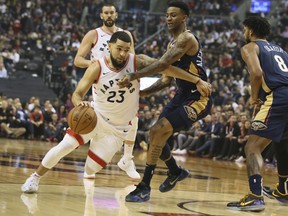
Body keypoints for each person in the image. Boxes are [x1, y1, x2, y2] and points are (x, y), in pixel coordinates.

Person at [21, 31, 211, 194]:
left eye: (126, 49)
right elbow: (77, 94)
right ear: (109, 46)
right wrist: (81, 104)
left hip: (117, 130)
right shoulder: (97, 66)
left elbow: (169, 69)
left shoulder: (138, 62)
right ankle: (35, 177)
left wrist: (196, 80)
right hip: (95, 117)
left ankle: (110, 155)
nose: (122, 53)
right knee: (64, 146)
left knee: (91, 167)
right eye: (118, 48)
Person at [118, 1, 212, 202]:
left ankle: (144, 186)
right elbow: (166, 78)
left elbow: (162, 65)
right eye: (167, 15)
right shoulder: (172, 43)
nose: (169, 18)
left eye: (174, 15)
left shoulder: (187, 38)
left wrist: (134, 76)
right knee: (156, 139)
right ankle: (175, 171)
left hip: (198, 97)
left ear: (184, 17)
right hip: (181, 95)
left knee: (156, 131)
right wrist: (142, 94)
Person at [227, 16, 288, 211]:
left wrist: (254, 97)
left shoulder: (250, 47)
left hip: (278, 96)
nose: (244, 33)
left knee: (252, 146)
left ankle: (255, 196)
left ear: (250, 31)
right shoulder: (281, 50)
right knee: (283, 143)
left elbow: (257, 73)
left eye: (244, 29)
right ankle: (283, 189)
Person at [74, 3, 140, 179]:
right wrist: (98, 65)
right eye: (106, 13)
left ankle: (127, 159)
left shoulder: (125, 35)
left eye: (112, 12)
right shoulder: (93, 34)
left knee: (134, 118)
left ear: (116, 14)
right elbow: (78, 60)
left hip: (123, 80)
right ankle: (93, 158)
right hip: (101, 80)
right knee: (100, 118)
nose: (109, 15)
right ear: (101, 15)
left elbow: (132, 60)